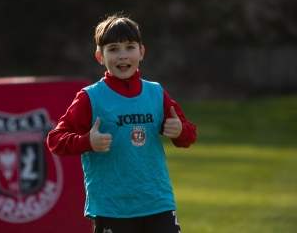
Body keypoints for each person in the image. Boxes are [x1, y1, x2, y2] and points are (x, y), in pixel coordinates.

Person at [47, 13, 197, 233]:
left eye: (129, 47)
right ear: (100, 56)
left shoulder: (155, 93)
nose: (123, 55)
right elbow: (55, 140)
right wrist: (87, 141)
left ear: (141, 52)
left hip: (157, 202)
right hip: (113, 208)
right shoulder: (90, 97)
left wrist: (180, 130)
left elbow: (188, 136)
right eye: (114, 49)